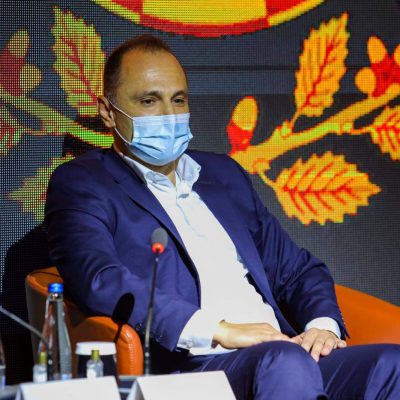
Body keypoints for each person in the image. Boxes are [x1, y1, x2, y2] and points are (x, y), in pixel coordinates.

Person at [45, 35, 400, 399]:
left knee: (391, 365)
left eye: (178, 100)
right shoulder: (84, 183)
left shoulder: (222, 174)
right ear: (108, 111)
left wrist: (322, 327)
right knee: (284, 362)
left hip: (283, 352)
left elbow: (296, 270)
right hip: (194, 364)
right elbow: (101, 279)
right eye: (149, 101)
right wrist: (221, 330)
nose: (169, 115)